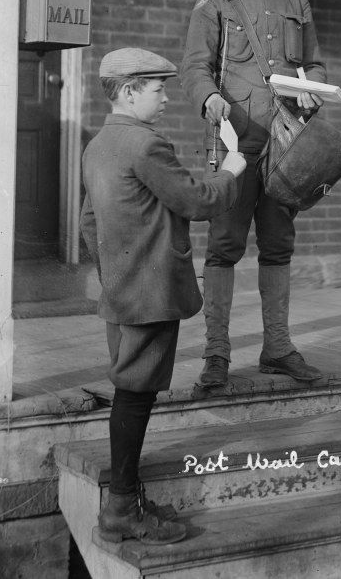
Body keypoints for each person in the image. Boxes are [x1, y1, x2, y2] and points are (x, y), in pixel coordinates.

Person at [80, 47, 245, 544]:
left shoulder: (98, 145)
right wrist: (231, 170)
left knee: (134, 391)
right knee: (135, 396)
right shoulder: (145, 145)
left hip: (123, 289)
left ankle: (126, 501)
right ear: (129, 92)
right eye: (158, 88)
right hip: (150, 292)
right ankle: (121, 512)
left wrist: (112, 274)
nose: (167, 98)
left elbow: (90, 223)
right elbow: (196, 201)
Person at [181, 0, 326, 389]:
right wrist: (210, 99)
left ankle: (278, 347)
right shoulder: (216, 1)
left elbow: (315, 65)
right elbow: (195, 68)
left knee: (279, 247)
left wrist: (314, 90)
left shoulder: (297, 3)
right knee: (223, 248)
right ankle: (217, 355)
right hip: (236, 148)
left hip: (286, 145)